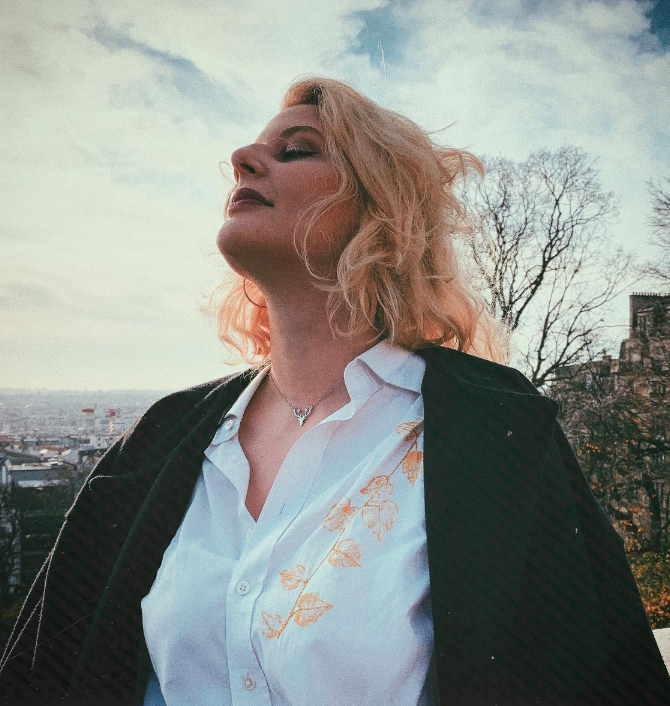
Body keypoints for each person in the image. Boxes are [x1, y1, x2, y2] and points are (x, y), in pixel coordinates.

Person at [1, 76, 668, 706]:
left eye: (297, 150)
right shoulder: (161, 438)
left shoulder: (494, 428)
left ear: (380, 209)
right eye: (254, 148)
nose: (242, 159)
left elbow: (596, 672)